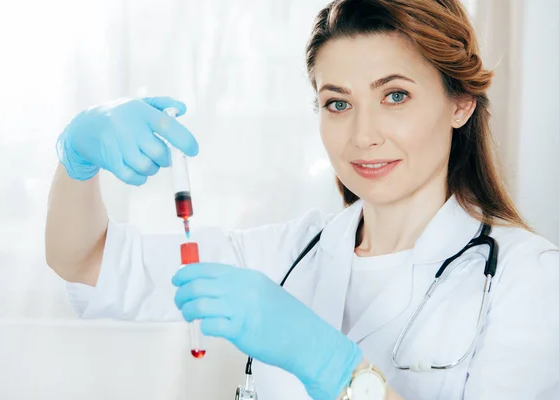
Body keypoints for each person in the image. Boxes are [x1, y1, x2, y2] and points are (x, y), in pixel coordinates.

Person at [45, 0, 559, 399]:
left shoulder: (529, 278)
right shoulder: (286, 255)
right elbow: (87, 261)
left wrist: (332, 367)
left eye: (395, 95)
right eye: (338, 103)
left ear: (460, 103)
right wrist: (77, 159)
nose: (363, 134)